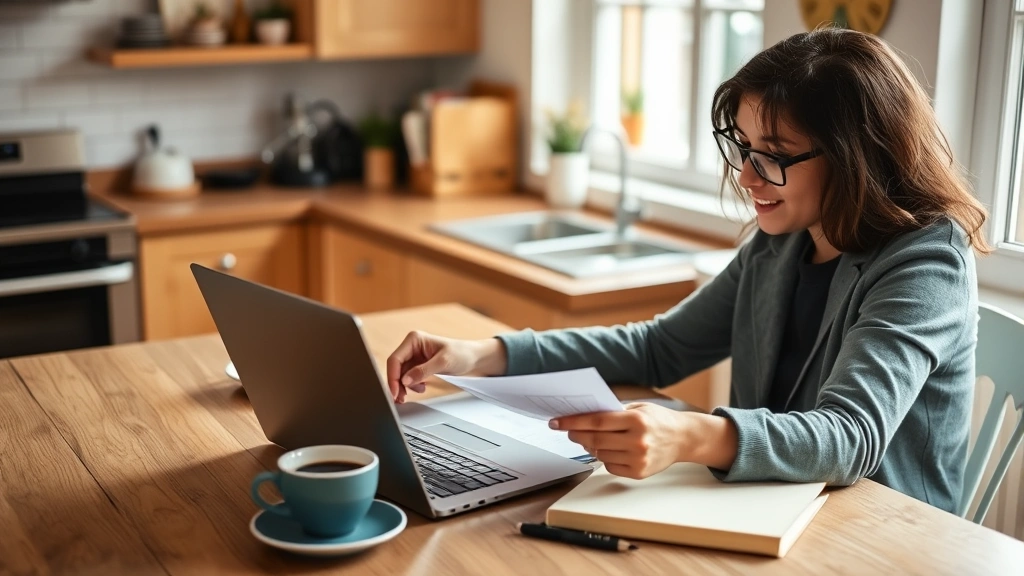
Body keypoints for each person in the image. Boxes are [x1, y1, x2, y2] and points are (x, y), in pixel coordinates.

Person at [385, 28, 990, 514]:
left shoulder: (925, 261)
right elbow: (659, 348)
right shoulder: (783, 240)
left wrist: (690, 436)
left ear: (857, 157)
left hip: (883, 532)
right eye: (744, 148)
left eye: (774, 157)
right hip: (767, 505)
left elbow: (848, 437)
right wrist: (482, 356)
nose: (748, 178)